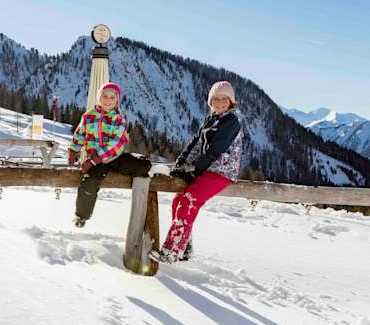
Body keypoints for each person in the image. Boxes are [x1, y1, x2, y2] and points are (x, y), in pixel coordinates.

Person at [153, 80, 243, 263]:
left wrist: (195, 171)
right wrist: (181, 162)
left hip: (222, 172)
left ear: (231, 101)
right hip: (207, 169)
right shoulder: (211, 119)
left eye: (223, 99)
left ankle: (172, 250)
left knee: (189, 201)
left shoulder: (231, 121)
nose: (219, 103)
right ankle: (184, 248)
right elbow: (196, 143)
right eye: (215, 99)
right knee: (178, 199)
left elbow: (214, 150)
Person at [69, 82, 151, 227]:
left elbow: (117, 144)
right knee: (89, 182)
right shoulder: (88, 117)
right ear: (99, 97)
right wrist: (73, 151)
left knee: (141, 167)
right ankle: (81, 216)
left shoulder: (119, 120)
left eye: (112, 97)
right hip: (97, 161)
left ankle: (144, 164)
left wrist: (95, 159)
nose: (108, 100)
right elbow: (80, 135)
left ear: (117, 100)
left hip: (115, 157)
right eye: (105, 96)